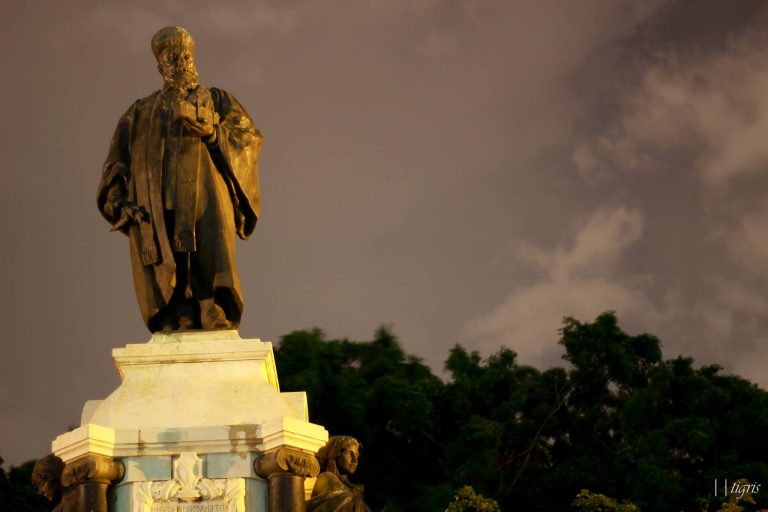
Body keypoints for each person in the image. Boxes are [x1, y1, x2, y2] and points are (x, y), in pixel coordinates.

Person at [97, 26, 262, 332]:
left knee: (208, 242)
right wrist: (117, 199)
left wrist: (213, 134)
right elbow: (116, 163)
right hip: (156, 199)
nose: (182, 63)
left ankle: (211, 306)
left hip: (206, 194)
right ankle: (179, 312)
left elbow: (248, 139)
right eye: (173, 58)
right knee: (167, 249)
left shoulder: (217, 100)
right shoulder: (140, 112)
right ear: (161, 67)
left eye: (186, 56)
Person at [307, 436, 371, 512]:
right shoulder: (326, 478)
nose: (355, 460)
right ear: (336, 453)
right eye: (350, 453)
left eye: (356, 456)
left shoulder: (355, 491)